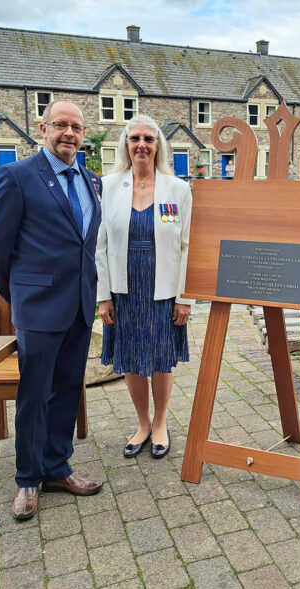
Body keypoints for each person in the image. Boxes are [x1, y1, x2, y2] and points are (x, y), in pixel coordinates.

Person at [0, 101, 103, 520]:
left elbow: (85, 241)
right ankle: (28, 479)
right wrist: (19, 295)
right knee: (34, 395)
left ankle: (57, 468)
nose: (69, 133)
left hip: (80, 305)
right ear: (43, 128)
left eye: (77, 128)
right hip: (39, 308)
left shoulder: (88, 178)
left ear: (83, 135)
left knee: (68, 389)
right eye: (61, 125)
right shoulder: (16, 176)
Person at [96, 115, 192, 460]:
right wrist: (103, 296)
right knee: (133, 359)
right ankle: (142, 422)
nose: (141, 145)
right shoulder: (107, 186)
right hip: (124, 289)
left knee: (161, 358)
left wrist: (185, 298)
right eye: (134, 138)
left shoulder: (177, 189)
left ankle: (162, 422)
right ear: (125, 143)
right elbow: (100, 245)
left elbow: (186, 246)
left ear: (158, 146)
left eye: (148, 139)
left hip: (164, 290)